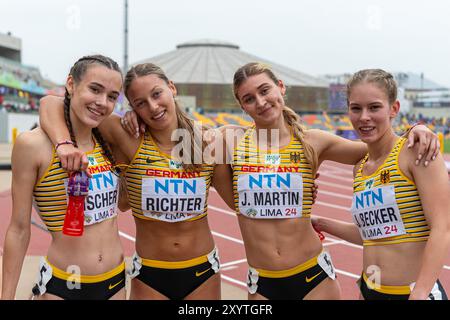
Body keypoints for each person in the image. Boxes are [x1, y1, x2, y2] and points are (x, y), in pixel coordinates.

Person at [120, 62, 439, 300]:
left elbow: (378, 147)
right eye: (248, 98)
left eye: (265, 91)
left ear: (281, 88)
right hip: (263, 283)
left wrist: (416, 130)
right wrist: (135, 118)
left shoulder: (314, 141)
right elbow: (174, 146)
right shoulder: (227, 140)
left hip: (315, 276)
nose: (259, 102)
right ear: (241, 106)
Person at [38, 63, 233, 300]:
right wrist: (63, 143)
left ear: (171, 88)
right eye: (140, 103)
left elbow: (237, 203)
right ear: (133, 109)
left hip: (202, 271)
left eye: (157, 94)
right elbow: (52, 103)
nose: (153, 107)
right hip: (150, 275)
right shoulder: (128, 136)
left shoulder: (208, 142)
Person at [312, 69, 450, 300]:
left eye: (374, 107)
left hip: (412, 294)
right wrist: (320, 222)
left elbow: (442, 228)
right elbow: (371, 234)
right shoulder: (360, 167)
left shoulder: (417, 152)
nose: (364, 116)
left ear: (393, 109)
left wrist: (421, 292)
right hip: (370, 288)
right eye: (356, 108)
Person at [1, 55, 127, 300]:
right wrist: (6, 296)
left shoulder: (108, 140)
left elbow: (122, 204)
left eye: (112, 96)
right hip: (63, 286)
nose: (102, 102)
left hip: (115, 284)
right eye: (95, 89)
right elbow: (18, 229)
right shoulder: (33, 145)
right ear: (71, 84)